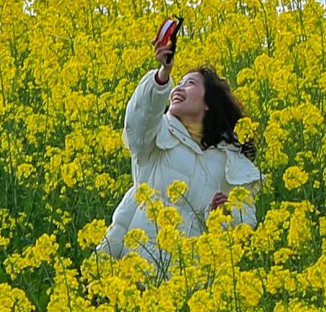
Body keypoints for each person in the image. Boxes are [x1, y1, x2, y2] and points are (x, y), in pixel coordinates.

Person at [100, 21, 262, 268]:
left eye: (191, 83)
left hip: (187, 276)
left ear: (208, 103)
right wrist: (161, 77)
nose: (179, 87)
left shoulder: (230, 162)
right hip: (132, 266)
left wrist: (224, 216)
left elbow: (244, 227)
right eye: (179, 82)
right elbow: (138, 123)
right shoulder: (158, 134)